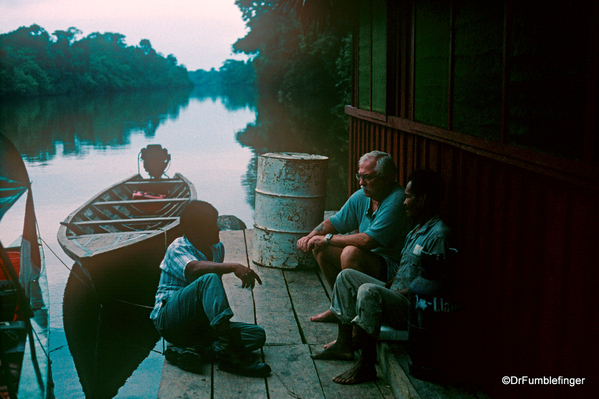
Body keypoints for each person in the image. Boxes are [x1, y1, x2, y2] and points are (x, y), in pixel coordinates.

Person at [311, 169, 452, 385]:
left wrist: (387, 293)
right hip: (395, 295)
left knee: (369, 291)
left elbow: (433, 289)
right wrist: (387, 287)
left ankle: (366, 366)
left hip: (411, 309)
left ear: (423, 199)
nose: (404, 203)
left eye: (408, 197)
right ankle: (344, 343)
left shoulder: (438, 235)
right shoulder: (416, 229)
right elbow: (402, 272)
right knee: (347, 276)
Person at [150, 200, 271, 377]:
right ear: (193, 231)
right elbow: (193, 268)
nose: (217, 229)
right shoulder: (177, 248)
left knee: (256, 335)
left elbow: (211, 294)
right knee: (209, 278)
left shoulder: (217, 248)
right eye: (211, 225)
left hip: (199, 326)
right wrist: (234, 266)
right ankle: (228, 357)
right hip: (170, 321)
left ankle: (193, 351)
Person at [297, 151, 411, 322]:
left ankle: (361, 318)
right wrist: (310, 237)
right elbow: (333, 223)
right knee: (320, 248)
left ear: (387, 178)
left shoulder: (396, 200)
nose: (361, 182)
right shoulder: (364, 195)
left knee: (350, 253)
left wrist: (327, 238)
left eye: (368, 177)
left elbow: (367, 241)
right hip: (371, 261)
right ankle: (339, 308)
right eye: (359, 176)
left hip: (392, 270)